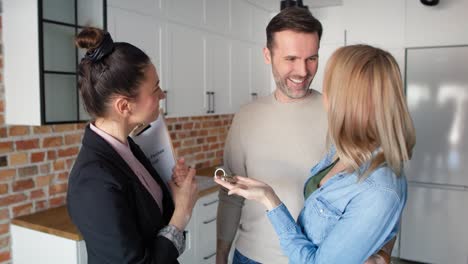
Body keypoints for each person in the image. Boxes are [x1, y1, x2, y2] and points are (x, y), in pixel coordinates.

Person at [216, 7, 396, 264]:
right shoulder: (246, 117)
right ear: (268, 55)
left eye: (311, 58)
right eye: (290, 59)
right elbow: (230, 197)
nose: (302, 71)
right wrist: (221, 255)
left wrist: (382, 255)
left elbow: (383, 196)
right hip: (250, 257)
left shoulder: (340, 115)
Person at [67, 27, 197, 263]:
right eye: (155, 88)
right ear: (124, 106)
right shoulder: (93, 181)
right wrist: (182, 212)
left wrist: (174, 194)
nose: (162, 96)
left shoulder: (128, 148)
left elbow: (150, 219)